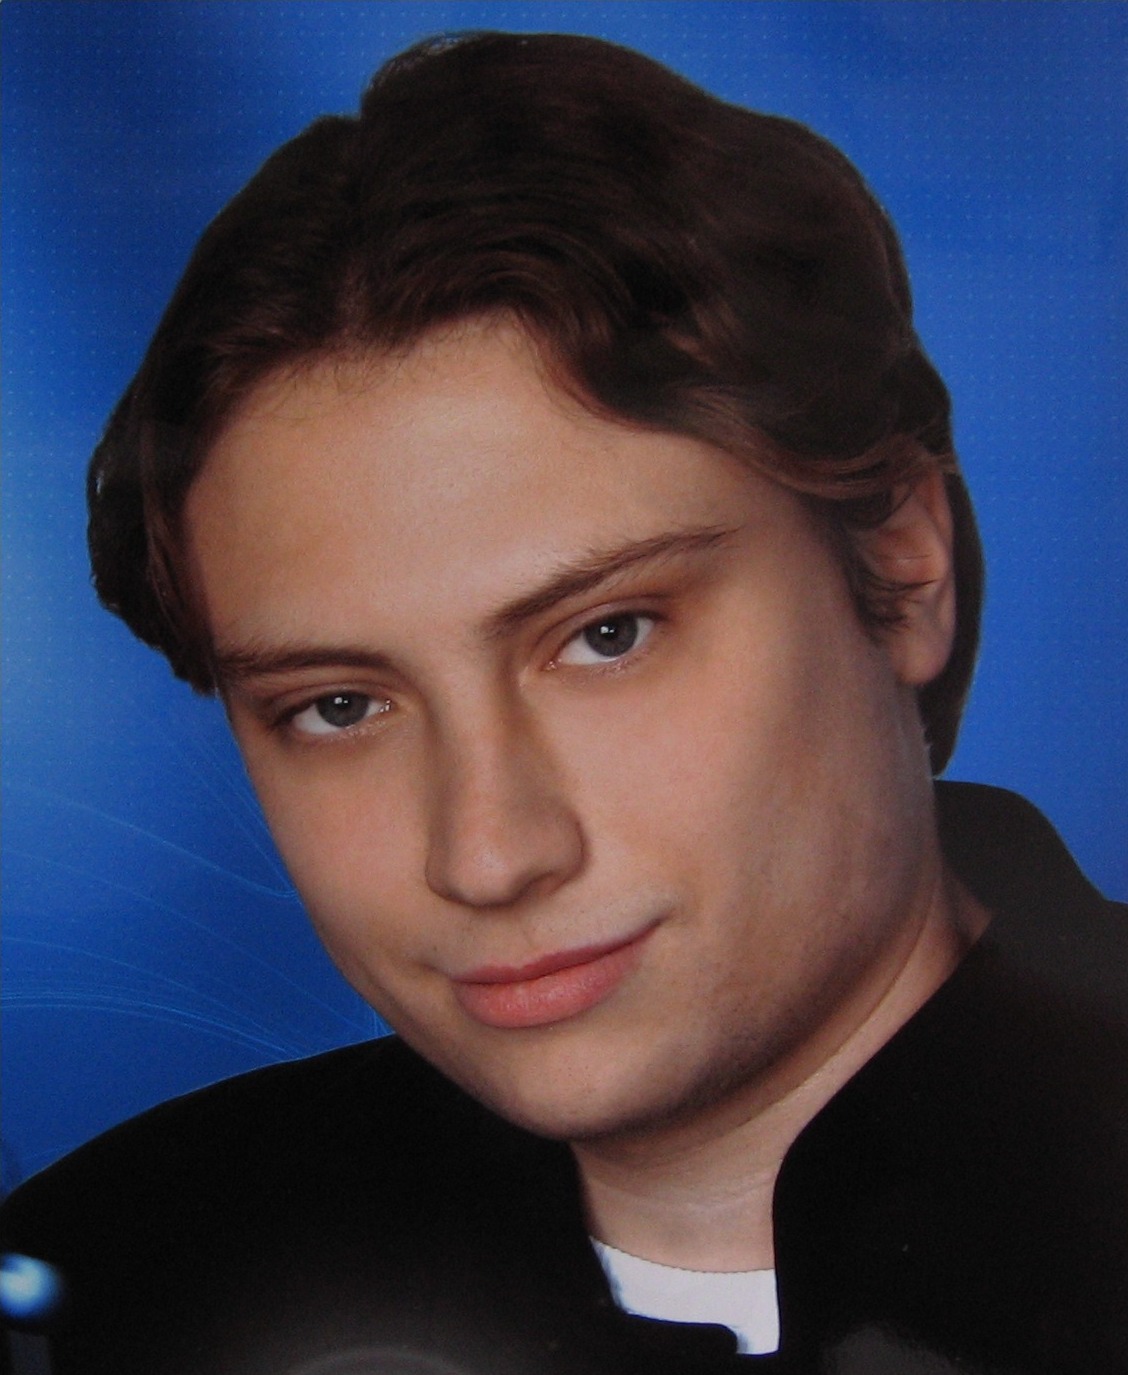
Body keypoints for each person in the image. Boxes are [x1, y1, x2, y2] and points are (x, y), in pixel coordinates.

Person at [2, 30, 1125, 1375]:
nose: (488, 854)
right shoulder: (98, 1288)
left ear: (903, 564)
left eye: (606, 636)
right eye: (340, 707)